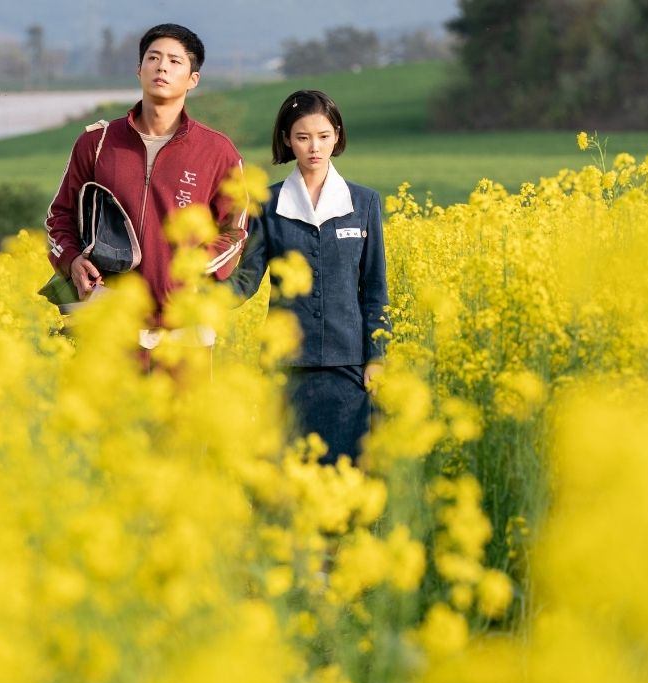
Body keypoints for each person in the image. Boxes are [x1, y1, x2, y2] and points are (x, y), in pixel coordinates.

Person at [45, 23, 247, 353]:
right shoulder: (97, 143)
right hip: (108, 322)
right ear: (139, 70)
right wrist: (71, 261)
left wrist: (191, 272)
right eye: (153, 58)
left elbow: (235, 231)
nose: (162, 66)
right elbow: (60, 217)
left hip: (185, 331)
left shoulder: (217, 152)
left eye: (175, 61)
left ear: (193, 79)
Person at [230, 90, 390, 465]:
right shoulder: (266, 204)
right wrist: (191, 294)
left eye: (323, 136)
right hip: (287, 367)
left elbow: (374, 288)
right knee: (283, 475)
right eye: (302, 137)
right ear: (287, 140)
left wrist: (377, 357)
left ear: (337, 135)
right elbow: (245, 280)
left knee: (348, 476)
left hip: (348, 364)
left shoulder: (363, 202)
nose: (314, 147)